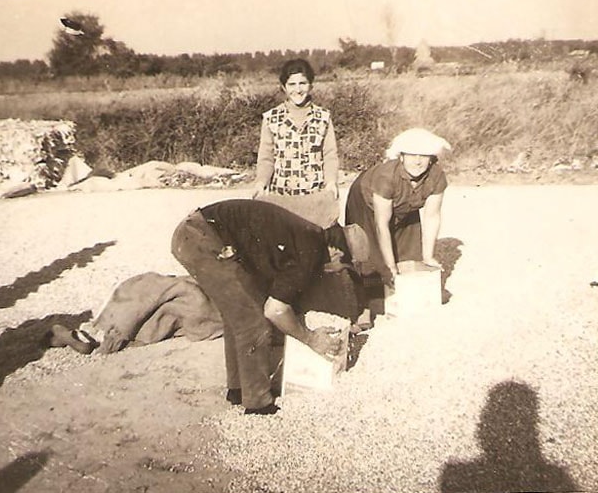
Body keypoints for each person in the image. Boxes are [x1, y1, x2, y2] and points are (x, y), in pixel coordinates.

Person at [171, 199, 369, 415]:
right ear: (338, 253)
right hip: (201, 238)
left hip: (198, 232)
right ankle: (258, 403)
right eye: (342, 267)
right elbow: (275, 310)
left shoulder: (308, 235)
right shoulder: (309, 250)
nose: (337, 272)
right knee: (253, 322)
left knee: (239, 313)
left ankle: (238, 389)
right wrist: (310, 338)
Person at [345, 128, 451, 289]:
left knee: (409, 252)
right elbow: (381, 225)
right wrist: (390, 267)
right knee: (370, 253)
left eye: (423, 156)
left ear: (431, 159)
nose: (417, 162)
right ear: (401, 157)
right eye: (412, 155)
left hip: (404, 204)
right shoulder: (386, 177)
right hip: (366, 201)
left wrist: (428, 257)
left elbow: (432, 217)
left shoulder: (437, 176)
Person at [252, 58, 340, 199]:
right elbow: (266, 158)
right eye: (292, 84)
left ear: (311, 86)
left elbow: (330, 155)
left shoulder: (323, 117)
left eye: (302, 83)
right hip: (281, 196)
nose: (298, 90)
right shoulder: (271, 119)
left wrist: (331, 182)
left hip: (315, 195)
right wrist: (261, 182)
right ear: (284, 87)